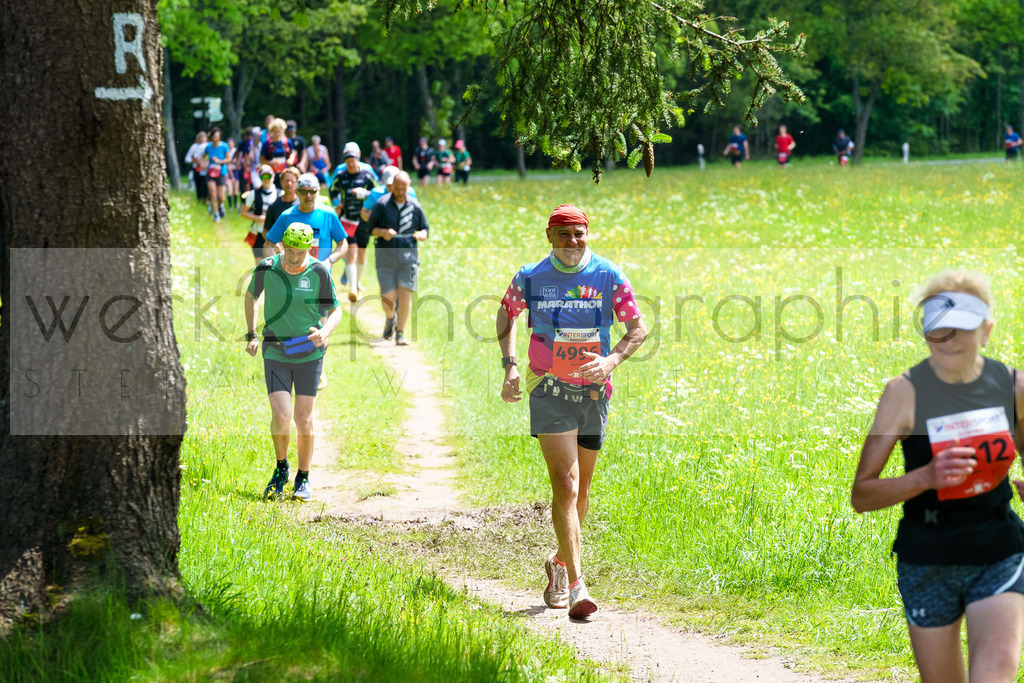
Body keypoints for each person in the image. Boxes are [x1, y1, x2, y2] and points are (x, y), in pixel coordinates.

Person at [851, 270, 1024, 682]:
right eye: (937, 332)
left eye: (960, 330)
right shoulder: (904, 393)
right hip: (928, 557)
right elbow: (862, 495)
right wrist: (926, 476)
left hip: (998, 549)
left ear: (986, 329)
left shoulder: (1014, 387)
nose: (948, 342)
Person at [496, 204, 647, 619]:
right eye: (564, 234)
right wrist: (510, 366)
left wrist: (611, 361)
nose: (573, 241)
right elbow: (507, 315)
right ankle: (579, 586)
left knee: (580, 495)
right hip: (548, 386)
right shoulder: (530, 276)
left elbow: (637, 328)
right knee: (565, 483)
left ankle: (559, 563)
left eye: (579, 233)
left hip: (594, 391)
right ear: (549, 236)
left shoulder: (608, 274)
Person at [245, 223, 342, 502]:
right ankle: (280, 468)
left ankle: (303, 476)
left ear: (309, 249)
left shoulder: (319, 271)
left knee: (303, 417)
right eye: (289, 251)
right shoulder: (267, 267)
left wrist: (324, 332)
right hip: (275, 349)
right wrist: (251, 333)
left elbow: (335, 310)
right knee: (281, 414)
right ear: (282, 246)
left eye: (300, 252)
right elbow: (251, 296)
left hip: (309, 353)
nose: (294, 257)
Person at [364, 171, 428, 345]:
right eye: (397, 188)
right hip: (385, 255)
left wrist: (421, 234)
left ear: (408, 187)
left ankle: (400, 333)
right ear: (392, 186)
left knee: (405, 293)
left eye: (404, 188)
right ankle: (390, 317)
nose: (400, 192)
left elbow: (425, 228)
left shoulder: (415, 205)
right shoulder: (382, 204)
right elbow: (370, 229)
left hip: (408, 256)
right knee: (388, 295)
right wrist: (383, 232)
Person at [329, 147, 377, 302]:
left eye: (353, 161)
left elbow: (379, 194)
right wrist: (336, 202)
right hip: (347, 220)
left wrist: (365, 193)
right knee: (351, 252)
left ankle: (357, 282)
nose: (350, 165)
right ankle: (353, 288)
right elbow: (332, 190)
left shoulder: (367, 176)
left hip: (364, 220)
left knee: (362, 255)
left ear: (358, 160)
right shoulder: (341, 177)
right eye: (348, 162)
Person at [240, 165, 281, 263]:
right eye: (263, 177)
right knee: (260, 265)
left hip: (274, 234)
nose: (266, 179)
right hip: (258, 233)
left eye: (269, 176)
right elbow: (243, 212)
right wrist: (257, 218)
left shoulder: (280, 194)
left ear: (273, 177)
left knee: (274, 264)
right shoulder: (253, 194)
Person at [204, 127, 230, 222]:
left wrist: (219, 161)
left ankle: (220, 206)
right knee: (212, 193)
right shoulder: (208, 147)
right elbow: (203, 157)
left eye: (217, 137)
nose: (215, 138)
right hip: (210, 173)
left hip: (221, 172)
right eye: (214, 136)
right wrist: (202, 163)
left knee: (221, 197)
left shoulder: (224, 146)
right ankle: (216, 214)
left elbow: (229, 159)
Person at [260, 118, 295, 186]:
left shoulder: (287, 142)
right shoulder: (267, 143)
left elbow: (293, 152)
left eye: (279, 131)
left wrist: (291, 159)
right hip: (271, 172)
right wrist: (270, 163)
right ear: (272, 131)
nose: (277, 134)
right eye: (275, 131)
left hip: (284, 171)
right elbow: (261, 159)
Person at [184, 131, 209, 205]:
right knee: (199, 185)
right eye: (200, 138)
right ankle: (200, 200)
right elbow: (187, 158)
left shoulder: (208, 146)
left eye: (203, 137)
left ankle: (206, 199)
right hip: (197, 169)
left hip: (206, 169)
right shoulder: (194, 146)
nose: (202, 139)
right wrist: (195, 161)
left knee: (205, 185)